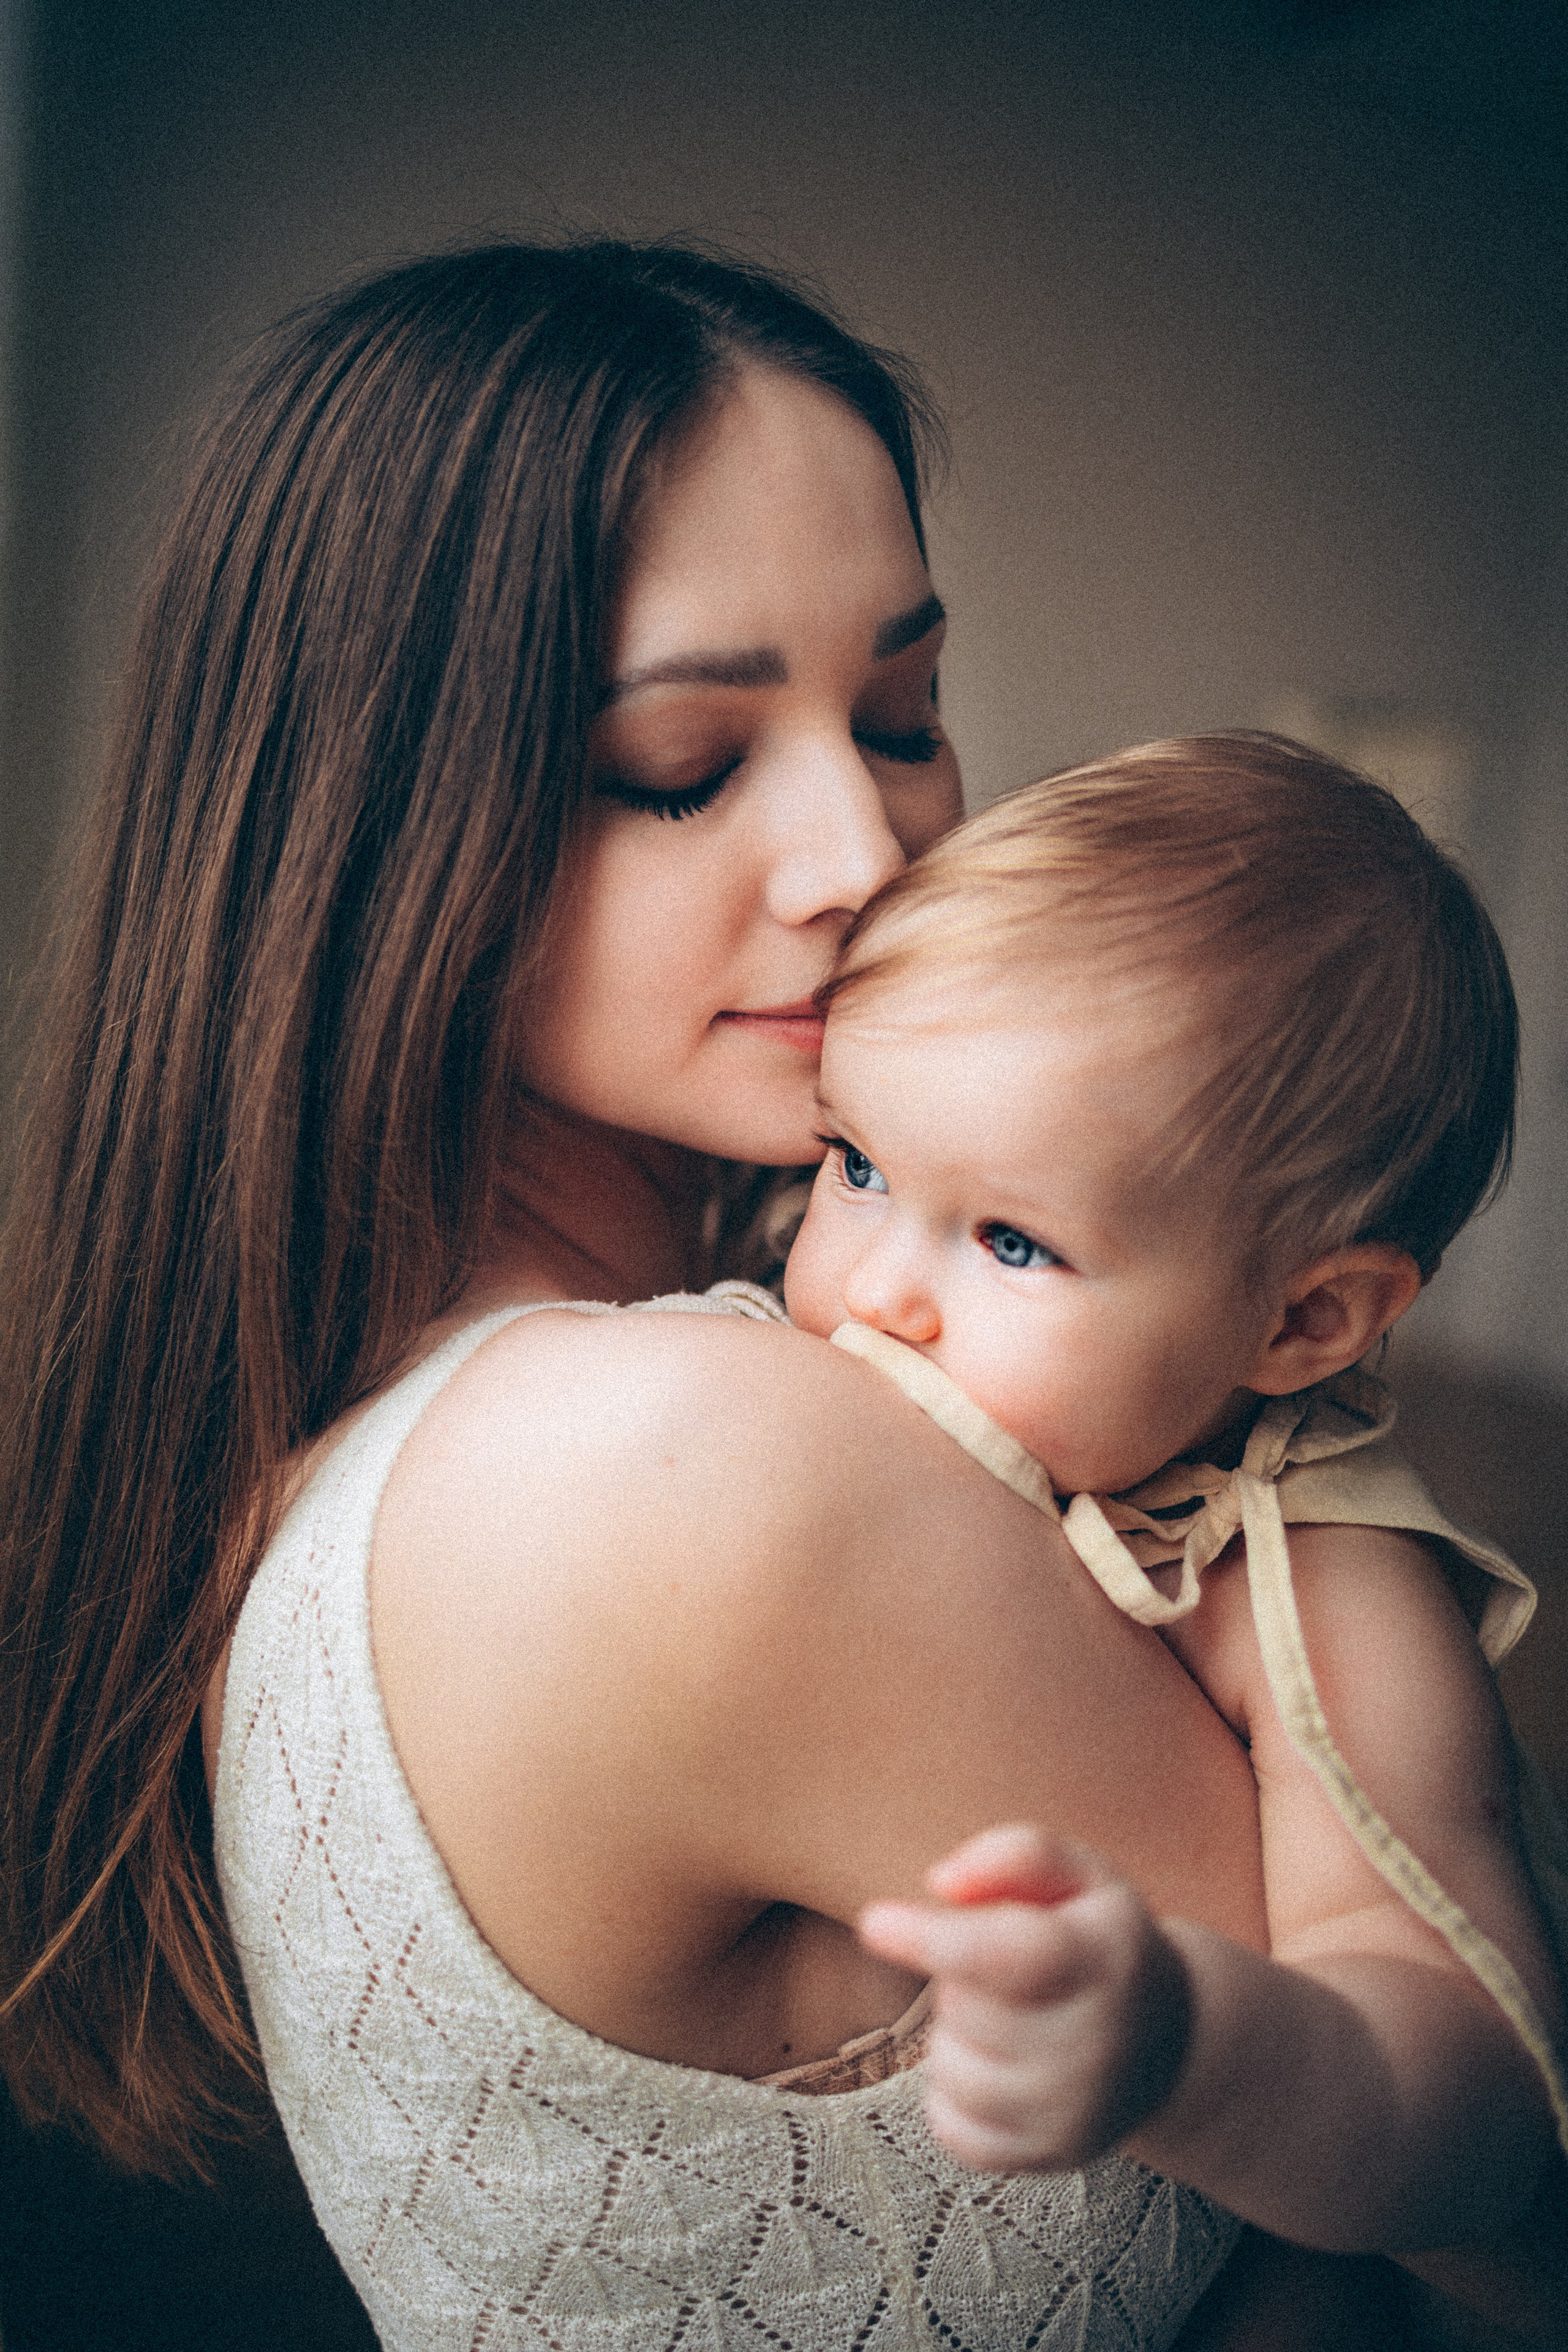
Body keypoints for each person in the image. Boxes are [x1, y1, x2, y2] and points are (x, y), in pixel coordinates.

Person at [0, 243, 1488, 2348]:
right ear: (367, 823)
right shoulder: (685, 1463)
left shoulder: (389, 1431)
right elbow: (1487, 2219)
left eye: (901, 719)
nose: (863, 858)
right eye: (684, 764)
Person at [778, 736, 1567, 2314]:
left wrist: (1185, 2044)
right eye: (855, 1161)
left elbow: (1486, 2115)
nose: (874, 1290)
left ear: (1303, 1324)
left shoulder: (1326, 1587)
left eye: (1012, 1239)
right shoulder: (859, 1383)